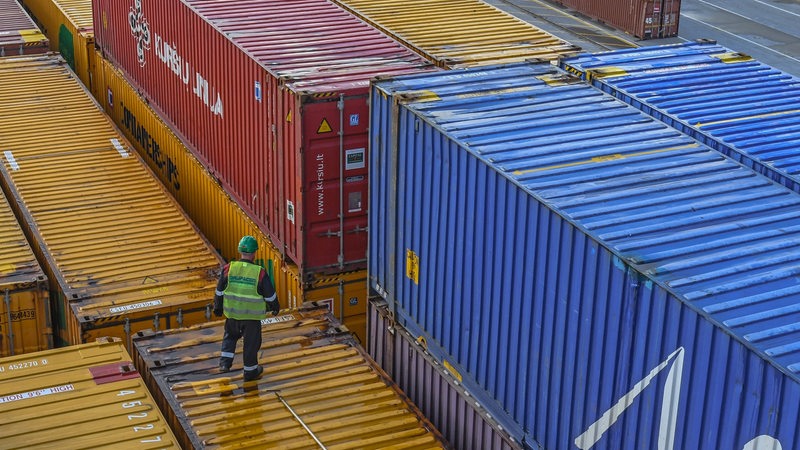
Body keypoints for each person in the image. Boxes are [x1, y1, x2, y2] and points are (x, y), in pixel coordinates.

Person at [213, 235, 280, 381]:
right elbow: (270, 295)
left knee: (229, 337)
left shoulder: (228, 268)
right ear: (254, 252)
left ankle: (224, 364)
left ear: (239, 251)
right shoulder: (259, 272)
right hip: (251, 318)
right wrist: (275, 307)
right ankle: (250, 372)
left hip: (232, 314)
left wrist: (217, 308)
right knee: (251, 345)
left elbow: (219, 291)